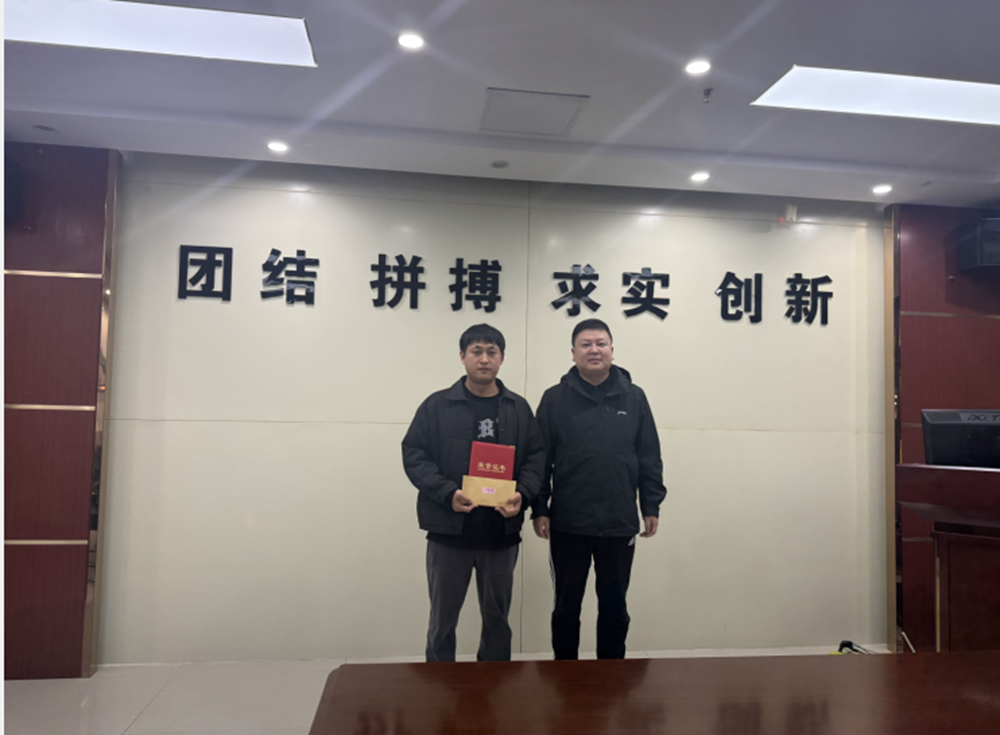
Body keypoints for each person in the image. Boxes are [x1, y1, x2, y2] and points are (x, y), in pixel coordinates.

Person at [402, 324, 546, 662]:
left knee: (497, 622)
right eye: (476, 351)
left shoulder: (518, 408)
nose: (484, 359)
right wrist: (447, 492)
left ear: (502, 358)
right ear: (462, 356)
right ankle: (440, 684)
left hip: (500, 533)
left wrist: (523, 494)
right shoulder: (437, 406)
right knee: (442, 621)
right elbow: (414, 454)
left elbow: (536, 457)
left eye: (491, 352)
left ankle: (493, 687)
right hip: (449, 532)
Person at [531, 318, 667, 659]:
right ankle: (565, 675)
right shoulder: (554, 399)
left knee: (614, 606)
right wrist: (540, 509)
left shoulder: (634, 397)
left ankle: (612, 676)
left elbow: (649, 456)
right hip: (568, 522)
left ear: (612, 350)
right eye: (586, 344)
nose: (594, 350)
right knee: (566, 606)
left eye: (601, 343)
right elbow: (539, 459)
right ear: (573, 352)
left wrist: (650, 506)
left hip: (619, 521)